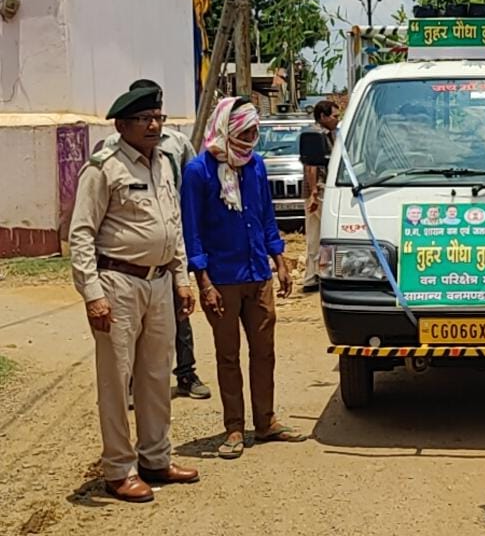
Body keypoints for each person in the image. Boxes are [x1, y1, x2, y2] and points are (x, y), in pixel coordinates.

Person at [69, 85, 201, 502]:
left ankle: (156, 458)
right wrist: (92, 293)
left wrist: (181, 278)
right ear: (121, 124)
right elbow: (81, 234)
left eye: (158, 117)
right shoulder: (103, 167)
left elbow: (172, 224)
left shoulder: (163, 163)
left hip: (159, 281)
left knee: (156, 376)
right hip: (117, 283)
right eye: (144, 119)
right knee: (116, 378)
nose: (154, 125)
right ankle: (119, 469)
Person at [181, 97, 305, 459]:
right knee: (228, 356)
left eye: (255, 132)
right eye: (246, 132)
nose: (251, 139)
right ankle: (234, 427)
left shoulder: (256, 166)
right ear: (227, 129)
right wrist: (203, 282)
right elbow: (193, 231)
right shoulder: (198, 172)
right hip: (221, 280)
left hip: (257, 273)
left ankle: (265, 422)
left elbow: (266, 217)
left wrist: (279, 260)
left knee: (264, 352)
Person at [303, 99, 338, 293]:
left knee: (315, 235)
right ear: (323, 116)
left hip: (319, 191)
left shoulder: (329, 134)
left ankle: (311, 276)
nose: (336, 120)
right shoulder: (315, 136)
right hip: (319, 191)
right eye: (334, 116)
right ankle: (318, 274)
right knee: (324, 233)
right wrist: (315, 193)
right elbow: (311, 167)